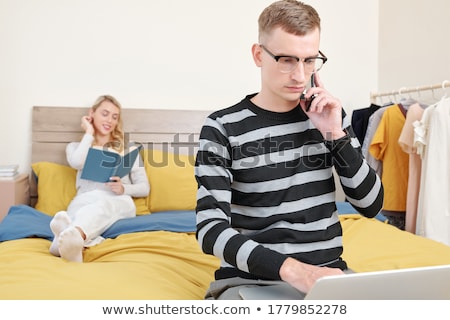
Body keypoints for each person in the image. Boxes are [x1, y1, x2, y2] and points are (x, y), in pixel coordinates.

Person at [195, 0, 384, 299]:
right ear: (259, 55)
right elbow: (209, 229)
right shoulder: (222, 126)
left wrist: (335, 135)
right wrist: (297, 271)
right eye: (286, 60)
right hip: (253, 283)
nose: (300, 75)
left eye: (310, 60)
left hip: (329, 277)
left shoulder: (332, 116)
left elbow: (371, 205)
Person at [49, 95, 150, 262]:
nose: (109, 120)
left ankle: (66, 240)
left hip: (118, 199)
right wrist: (89, 132)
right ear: (92, 113)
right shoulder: (76, 147)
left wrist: (124, 188)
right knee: (81, 211)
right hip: (85, 198)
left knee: (102, 207)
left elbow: (144, 187)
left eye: (114, 117)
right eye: (105, 114)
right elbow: (76, 162)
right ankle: (72, 246)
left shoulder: (128, 149)